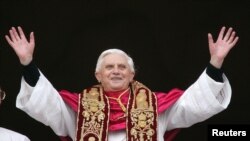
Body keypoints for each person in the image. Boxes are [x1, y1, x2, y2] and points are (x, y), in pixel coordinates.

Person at [5, 26, 238, 141]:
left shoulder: (156, 105)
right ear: (98, 75)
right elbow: (48, 105)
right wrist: (28, 63)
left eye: (122, 67)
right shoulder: (78, 107)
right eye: (109, 67)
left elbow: (193, 105)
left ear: (131, 74)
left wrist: (215, 64)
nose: (116, 71)